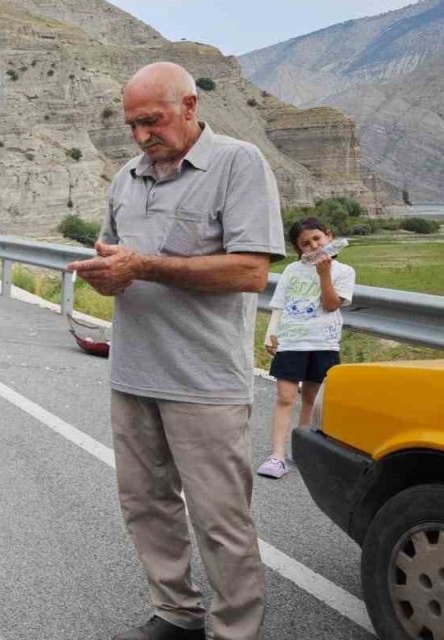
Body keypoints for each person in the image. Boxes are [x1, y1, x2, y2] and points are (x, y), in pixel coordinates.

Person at [67, 61, 285, 640]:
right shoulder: (125, 178)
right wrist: (110, 275)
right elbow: (120, 259)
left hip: (205, 381)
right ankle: (176, 613)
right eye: (132, 125)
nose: (142, 136)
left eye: (152, 121)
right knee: (146, 506)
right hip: (133, 373)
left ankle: (237, 630)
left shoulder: (239, 163)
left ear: (189, 106)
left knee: (220, 520)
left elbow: (250, 271)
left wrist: (145, 266)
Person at [257, 218, 355, 479]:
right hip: (292, 342)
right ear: (298, 249)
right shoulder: (291, 270)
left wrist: (324, 274)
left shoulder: (344, 271)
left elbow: (332, 304)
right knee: (285, 397)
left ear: (329, 236)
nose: (313, 246)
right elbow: (278, 303)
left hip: (323, 343)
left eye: (317, 239)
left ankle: (301, 451)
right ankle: (277, 456)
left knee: (311, 398)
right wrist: (271, 333)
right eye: (305, 244)